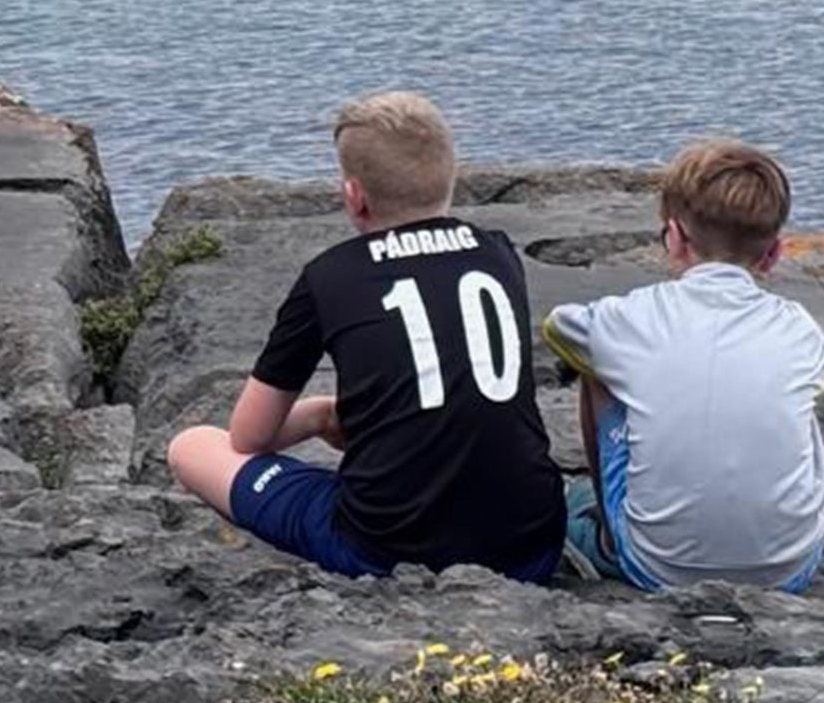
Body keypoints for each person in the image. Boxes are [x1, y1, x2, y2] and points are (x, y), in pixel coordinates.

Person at [166, 91, 565, 582]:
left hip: (384, 551)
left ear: (354, 195)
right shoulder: (498, 253)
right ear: (450, 177)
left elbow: (250, 436)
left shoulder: (329, 276)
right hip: (531, 545)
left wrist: (321, 415)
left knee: (193, 446)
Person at [544, 139, 824, 591]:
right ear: (774, 254)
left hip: (657, 567)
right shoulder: (800, 329)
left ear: (674, 238)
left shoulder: (628, 318)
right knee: (798, 390)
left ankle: (604, 530)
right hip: (788, 571)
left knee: (596, 367)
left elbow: (558, 328)